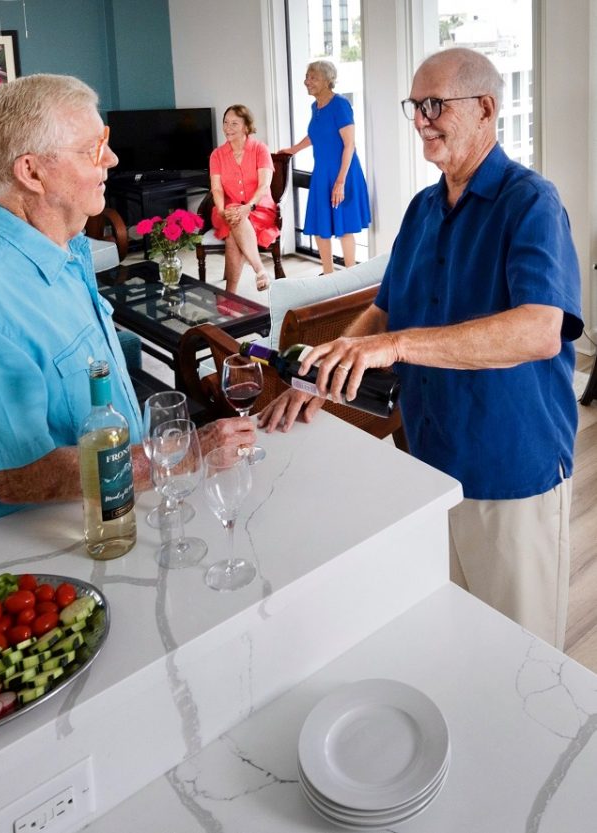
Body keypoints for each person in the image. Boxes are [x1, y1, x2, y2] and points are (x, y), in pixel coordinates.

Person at [260, 47, 583, 650]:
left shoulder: (531, 203)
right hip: (430, 465)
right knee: (454, 638)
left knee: (519, 658)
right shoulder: (423, 207)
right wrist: (318, 379)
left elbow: (540, 328)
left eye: (435, 104)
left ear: (485, 108)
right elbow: (385, 308)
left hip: (510, 466)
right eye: (415, 105)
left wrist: (397, 346)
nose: (420, 119)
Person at [0, 74, 255, 520]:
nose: (112, 158)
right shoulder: (1, 296)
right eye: (92, 148)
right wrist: (181, 454)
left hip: (120, 511)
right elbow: (15, 475)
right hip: (57, 542)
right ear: (31, 171)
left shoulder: (65, 249)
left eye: (107, 141)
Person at [279, 60, 371, 275]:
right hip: (322, 173)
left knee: (345, 226)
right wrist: (292, 149)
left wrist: (340, 182)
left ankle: (350, 277)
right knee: (321, 225)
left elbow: (350, 145)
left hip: (344, 173)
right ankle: (328, 276)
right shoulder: (316, 107)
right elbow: (315, 135)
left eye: (313, 77)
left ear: (328, 81)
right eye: (307, 77)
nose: (307, 81)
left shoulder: (340, 105)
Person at [209, 104, 279, 293]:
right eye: (225, 123)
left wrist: (249, 206)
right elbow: (216, 189)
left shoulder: (260, 149)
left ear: (246, 127)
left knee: (234, 230)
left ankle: (230, 294)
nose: (227, 128)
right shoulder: (217, 155)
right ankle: (260, 271)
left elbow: (264, 186)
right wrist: (222, 211)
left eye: (234, 123)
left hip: (259, 208)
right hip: (227, 209)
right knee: (235, 215)